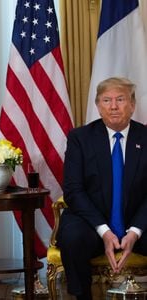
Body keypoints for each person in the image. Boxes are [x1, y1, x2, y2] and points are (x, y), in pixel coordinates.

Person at [57, 77, 147, 300]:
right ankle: (82, 296)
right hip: (92, 221)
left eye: (120, 99)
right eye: (106, 100)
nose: (113, 106)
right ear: (98, 106)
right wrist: (104, 231)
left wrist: (135, 231)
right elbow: (73, 190)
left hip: (138, 219)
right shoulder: (80, 138)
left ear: (133, 105)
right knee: (72, 237)